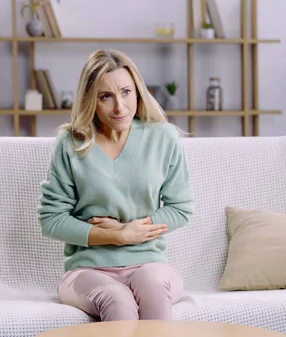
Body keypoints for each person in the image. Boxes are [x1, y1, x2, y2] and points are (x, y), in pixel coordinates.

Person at [37, 49, 194, 322]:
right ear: (92, 101)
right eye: (106, 96)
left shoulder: (163, 137)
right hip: (87, 270)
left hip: (149, 263)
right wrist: (118, 236)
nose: (119, 107)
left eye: (126, 92)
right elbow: (52, 219)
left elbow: (180, 208)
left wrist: (132, 231)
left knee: (153, 288)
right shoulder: (71, 143)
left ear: (138, 92)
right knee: (118, 300)